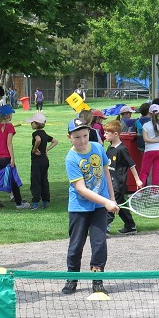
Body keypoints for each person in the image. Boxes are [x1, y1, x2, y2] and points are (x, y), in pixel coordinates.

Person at [62, 117, 119, 296]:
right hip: (79, 208)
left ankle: (97, 279)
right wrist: (106, 202)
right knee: (76, 245)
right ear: (69, 137)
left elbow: (106, 174)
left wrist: (111, 198)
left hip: (99, 208)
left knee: (99, 244)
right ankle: (72, 277)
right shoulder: (71, 158)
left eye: (85, 136)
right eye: (77, 137)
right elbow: (81, 189)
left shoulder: (98, 148)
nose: (82, 140)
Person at [102, 119, 141, 234]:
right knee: (121, 206)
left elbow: (132, 164)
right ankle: (130, 226)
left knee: (111, 204)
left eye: (106, 133)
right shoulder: (110, 148)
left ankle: (104, 227)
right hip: (110, 182)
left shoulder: (122, 149)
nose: (104, 135)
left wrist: (137, 180)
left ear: (115, 134)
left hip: (118, 183)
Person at [0, 105, 29, 208]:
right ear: (8, 116)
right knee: (13, 181)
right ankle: (19, 203)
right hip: (6, 158)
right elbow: (9, 143)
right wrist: (12, 158)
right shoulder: (9, 127)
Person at [27, 112, 57, 209]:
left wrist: (35, 149)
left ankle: (35, 202)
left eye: (32, 122)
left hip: (37, 161)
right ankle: (45, 201)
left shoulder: (35, 133)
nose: (31, 124)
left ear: (36, 123)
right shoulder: (44, 133)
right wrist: (46, 149)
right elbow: (55, 141)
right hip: (45, 160)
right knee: (44, 180)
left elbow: (38, 139)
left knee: (36, 181)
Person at [140, 104, 159, 186]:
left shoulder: (146, 125)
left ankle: (140, 191)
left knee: (144, 172)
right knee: (156, 172)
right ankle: (154, 192)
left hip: (149, 150)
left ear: (149, 113)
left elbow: (145, 139)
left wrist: (155, 140)